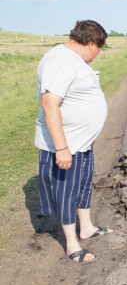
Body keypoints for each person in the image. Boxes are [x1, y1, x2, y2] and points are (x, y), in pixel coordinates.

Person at [35, 20, 113, 264]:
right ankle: (71, 245)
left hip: (80, 142)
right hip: (66, 144)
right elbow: (49, 104)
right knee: (66, 192)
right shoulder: (60, 60)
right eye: (99, 48)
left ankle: (86, 227)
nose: (98, 53)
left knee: (82, 186)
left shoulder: (73, 60)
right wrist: (61, 148)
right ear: (91, 44)